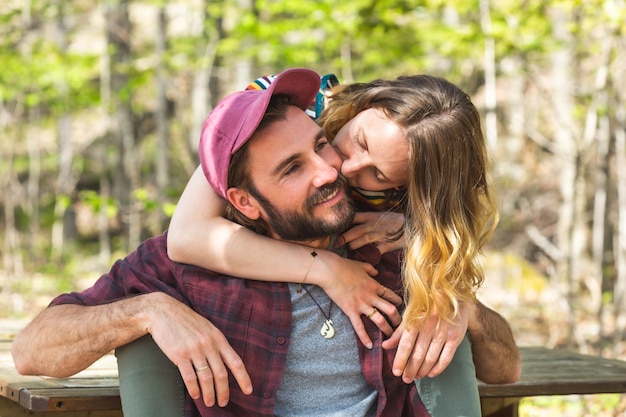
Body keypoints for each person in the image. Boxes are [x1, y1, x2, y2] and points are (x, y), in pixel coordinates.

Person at [12, 68, 433, 417]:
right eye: (291, 169)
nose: (327, 172)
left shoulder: (392, 248)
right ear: (244, 202)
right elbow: (32, 352)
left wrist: (457, 307)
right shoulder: (191, 270)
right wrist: (148, 310)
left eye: (321, 144)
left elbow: (500, 363)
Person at [164, 72, 521, 415]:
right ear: (365, 103)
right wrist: (326, 268)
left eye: (377, 175)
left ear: (403, 187)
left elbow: (506, 371)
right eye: (360, 141)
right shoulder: (287, 105)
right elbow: (186, 236)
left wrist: (422, 246)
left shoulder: (407, 202)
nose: (345, 171)